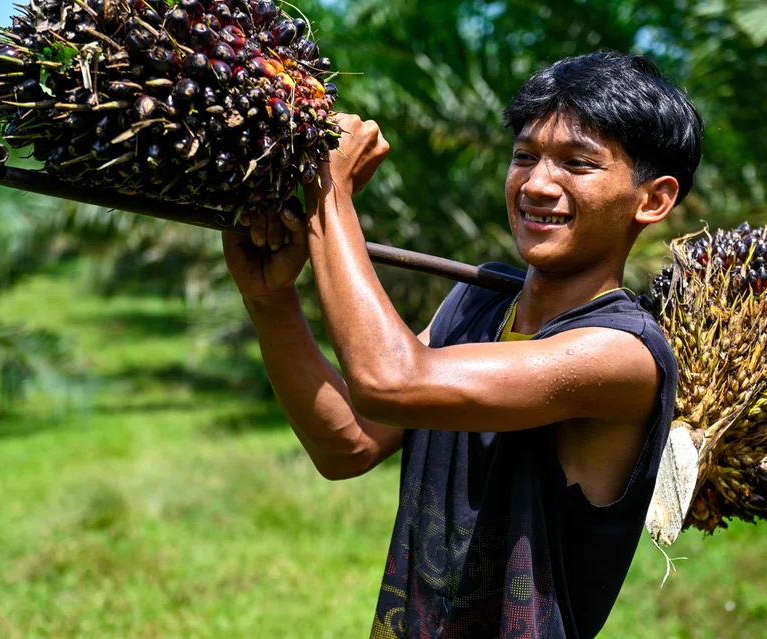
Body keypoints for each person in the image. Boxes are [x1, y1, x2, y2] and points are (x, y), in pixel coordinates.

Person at [223, 50, 703, 639]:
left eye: (578, 164)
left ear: (652, 200)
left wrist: (331, 193)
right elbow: (347, 443)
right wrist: (271, 302)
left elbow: (390, 381)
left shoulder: (621, 355)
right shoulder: (475, 303)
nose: (537, 184)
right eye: (524, 156)